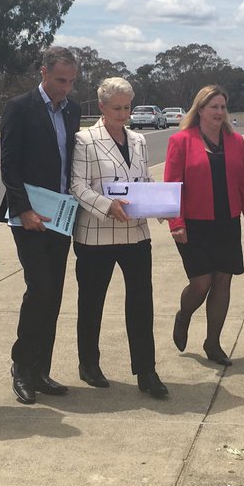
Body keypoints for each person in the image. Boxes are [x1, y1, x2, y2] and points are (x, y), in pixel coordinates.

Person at [69, 77, 167, 398]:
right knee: (92, 301)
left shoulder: (138, 140)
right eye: (117, 108)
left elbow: (145, 178)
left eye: (127, 107)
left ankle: (146, 370)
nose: (123, 114)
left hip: (136, 234)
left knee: (141, 303)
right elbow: (77, 186)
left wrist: (161, 202)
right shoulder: (85, 140)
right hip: (95, 234)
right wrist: (106, 205)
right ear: (101, 107)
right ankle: (89, 363)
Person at [0, 46, 81, 404]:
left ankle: (40, 369)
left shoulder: (73, 110)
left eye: (72, 82)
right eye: (61, 80)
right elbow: (9, 164)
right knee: (40, 289)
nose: (66, 88)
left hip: (62, 216)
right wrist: (25, 209)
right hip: (30, 216)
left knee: (55, 294)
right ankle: (21, 367)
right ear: (43, 73)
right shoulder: (20, 107)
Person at [164, 85, 244, 367]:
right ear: (200, 110)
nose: (219, 112)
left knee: (223, 280)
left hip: (226, 221)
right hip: (193, 224)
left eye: (222, 107)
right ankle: (184, 314)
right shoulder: (181, 141)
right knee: (200, 283)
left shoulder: (236, 142)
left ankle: (213, 343)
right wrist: (176, 223)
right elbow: (172, 185)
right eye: (213, 107)